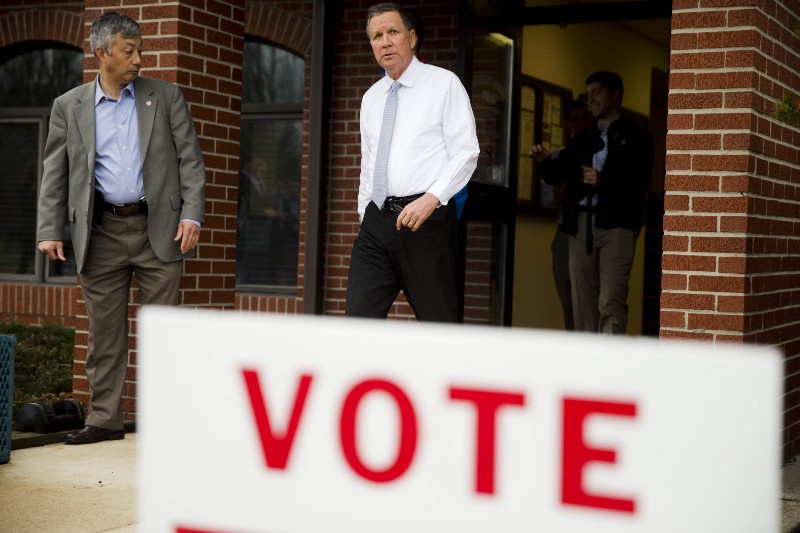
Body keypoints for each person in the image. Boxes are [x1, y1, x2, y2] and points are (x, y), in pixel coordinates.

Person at [36, 12, 206, 444]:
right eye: (128, 51)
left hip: (161, 227)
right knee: (104, 335)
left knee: (163, 331)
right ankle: (105, 420)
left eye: (141, 50)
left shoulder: (165, 97)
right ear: (101, 54)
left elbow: (190, 160)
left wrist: (192, 214)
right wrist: (49, 229)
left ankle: (164, 421)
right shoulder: (68, 106)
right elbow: (56, 172)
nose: (137, 59)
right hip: (101, 231)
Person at [345, 3, 479, 322]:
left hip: (425, 221)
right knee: (356, 322)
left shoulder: (444, 84)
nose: (385, 42)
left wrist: (431, 199)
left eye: (393, 32)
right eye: (377, 36)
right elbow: (370, 160)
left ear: (412, 37)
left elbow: (466, 152)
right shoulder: (371, 97)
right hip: (377, 222)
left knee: (438, 324)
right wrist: (366, 211)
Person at [531, 71, 653, 334]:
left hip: (617, 225)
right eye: (588, 94)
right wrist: (544, 162)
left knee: (610, 299)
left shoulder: (636, 135)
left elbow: (640, 182)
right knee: (582, 300)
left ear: (615, 94)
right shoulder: (583, 138)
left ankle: (610, 366)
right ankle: (587, 365)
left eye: (597, 92)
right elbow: (559, 173)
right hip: (581, 223)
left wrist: (602, 181)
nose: (591, 99)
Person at [538, 99, 593, 331]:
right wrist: (561, 194)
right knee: (568, 298)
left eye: (584, 118)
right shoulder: (560, 154)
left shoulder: (598, 152)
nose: (579, 124)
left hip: (592, 231)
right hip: (564, 233)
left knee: (591, 298)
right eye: (574, 119)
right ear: (567, 124)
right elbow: (546, 198)